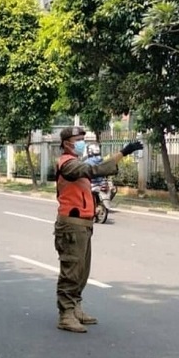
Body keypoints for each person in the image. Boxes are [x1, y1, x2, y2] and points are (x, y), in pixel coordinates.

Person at [53, 126, 142, 333]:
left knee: (82, 271)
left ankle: (75, 308)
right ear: (67, 143)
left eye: (84, 138)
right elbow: (94, 170)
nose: (83, 142)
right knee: (71, 271)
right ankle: (65, 315)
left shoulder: (77, 163)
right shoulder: (67, 164)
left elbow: (93, 169)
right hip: (71, 225)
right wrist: (123, 153)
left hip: (83, 225)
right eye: (79, 139)